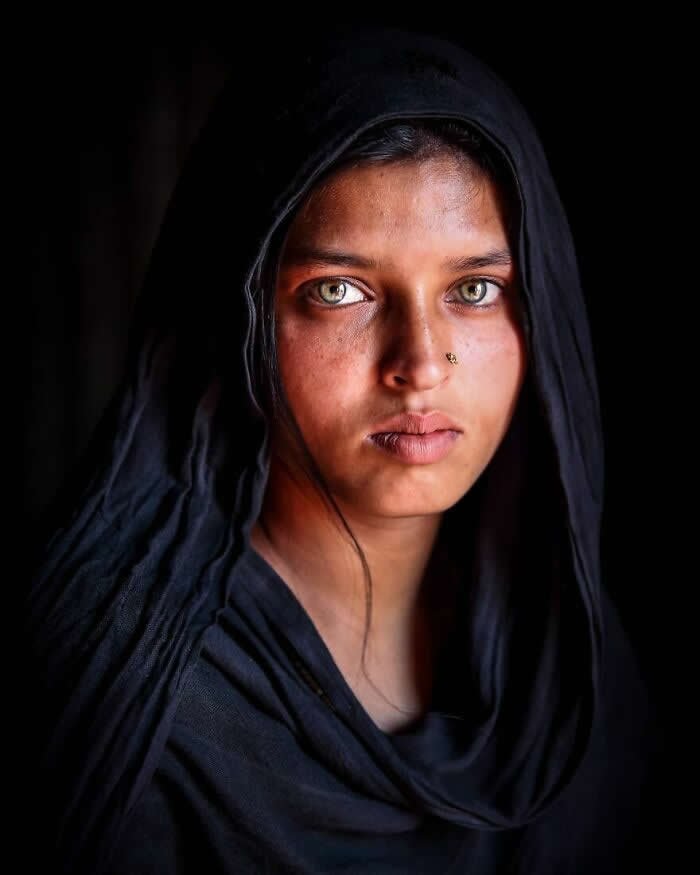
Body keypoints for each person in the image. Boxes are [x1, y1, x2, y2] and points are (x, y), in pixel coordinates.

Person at [23, 26, 663, 873]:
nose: (419, 362)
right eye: (340, 291)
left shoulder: (568, 664)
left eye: (474, 290)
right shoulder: (121, 710)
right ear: (239, 317)